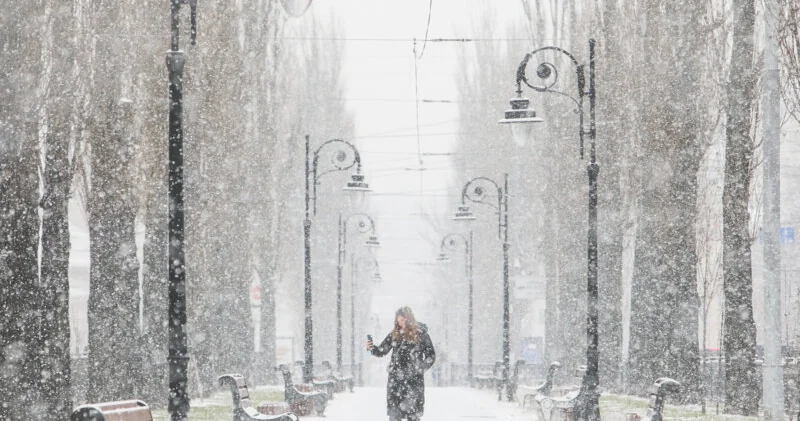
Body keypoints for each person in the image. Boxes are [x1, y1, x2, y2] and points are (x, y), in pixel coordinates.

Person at [367, 306, 436, 421]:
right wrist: (371, 348)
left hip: (413, 382)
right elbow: (382, 351)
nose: (401, 324)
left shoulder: (421, 335)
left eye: (403, 320)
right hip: (395, 382)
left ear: (410, 319)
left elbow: (431, 356)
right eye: (399, 321)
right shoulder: (395, 334)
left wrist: (419, 369)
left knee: (413, 416)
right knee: (394, 415)